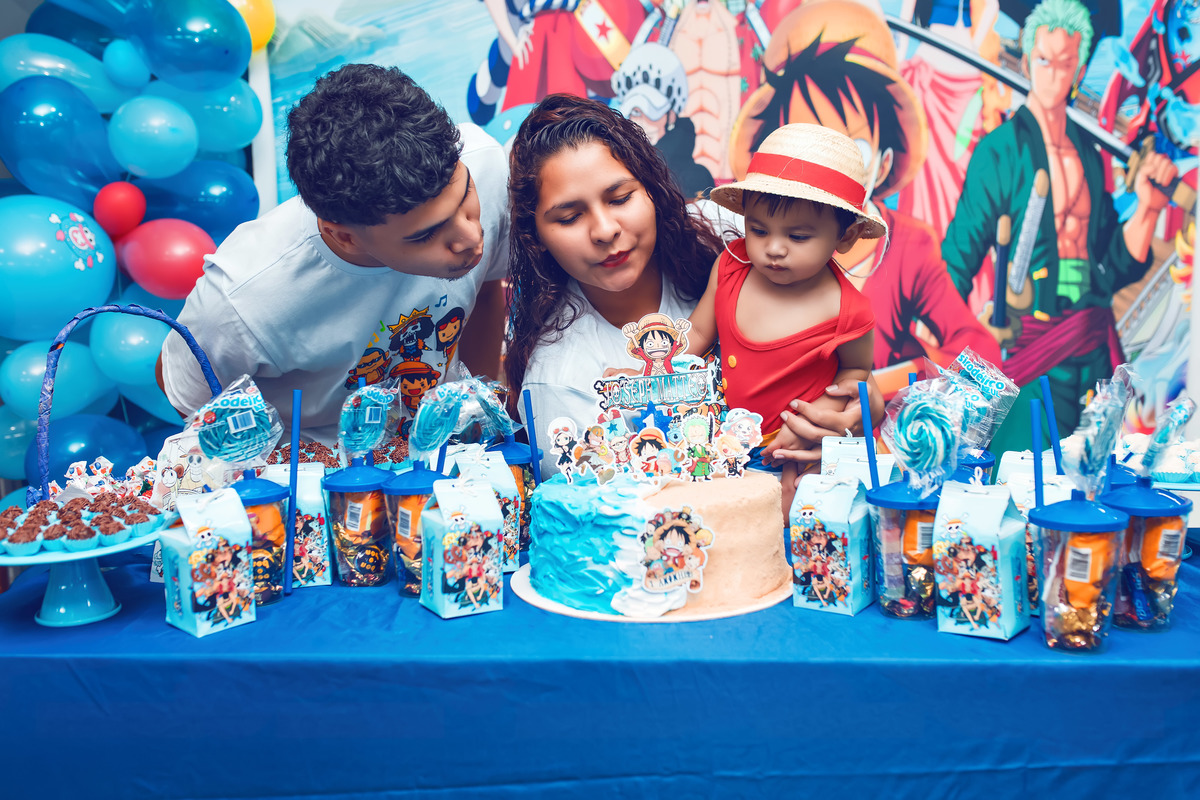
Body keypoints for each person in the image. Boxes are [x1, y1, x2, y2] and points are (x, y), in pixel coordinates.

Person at [505, 94, 883, 482]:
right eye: (569, 217)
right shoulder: (560, 381)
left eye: (620, 198)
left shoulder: (730, 234)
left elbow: (847, 369)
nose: (604, 230)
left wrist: (860, 409)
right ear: (536, 237)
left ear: (652, 189)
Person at [157, 64, 510, 443]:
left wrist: (477, 418)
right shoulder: (242, 300)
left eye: (465, 195)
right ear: (346, 238)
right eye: (427, 234)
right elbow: (182, 389)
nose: (470, 237)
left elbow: (487, 289)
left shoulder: (484, 163)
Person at [942, 0, 1177, 454]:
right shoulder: (1000, 151)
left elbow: (1111, 267)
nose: (1052, 75)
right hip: (1028, 350)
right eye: (1044, 60)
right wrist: (966, 338)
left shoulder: (1090, 155)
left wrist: (1149, 209)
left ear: (1079, 69)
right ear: (1027, 60)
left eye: (1065, 63)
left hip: (1091, 345)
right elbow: (957, 261)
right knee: (1019, 472)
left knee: (1092, 475)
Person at [689, 123, 883, 512]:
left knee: (794, 524)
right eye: (759, 230)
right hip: (727, 447)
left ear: (845, 237)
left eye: (798, 237)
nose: (774, 248)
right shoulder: (729, 267)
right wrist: (648, 371)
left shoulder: (849, 311)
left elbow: (856, 373)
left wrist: (812, 425)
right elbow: (696, 333)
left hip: (798, 451)